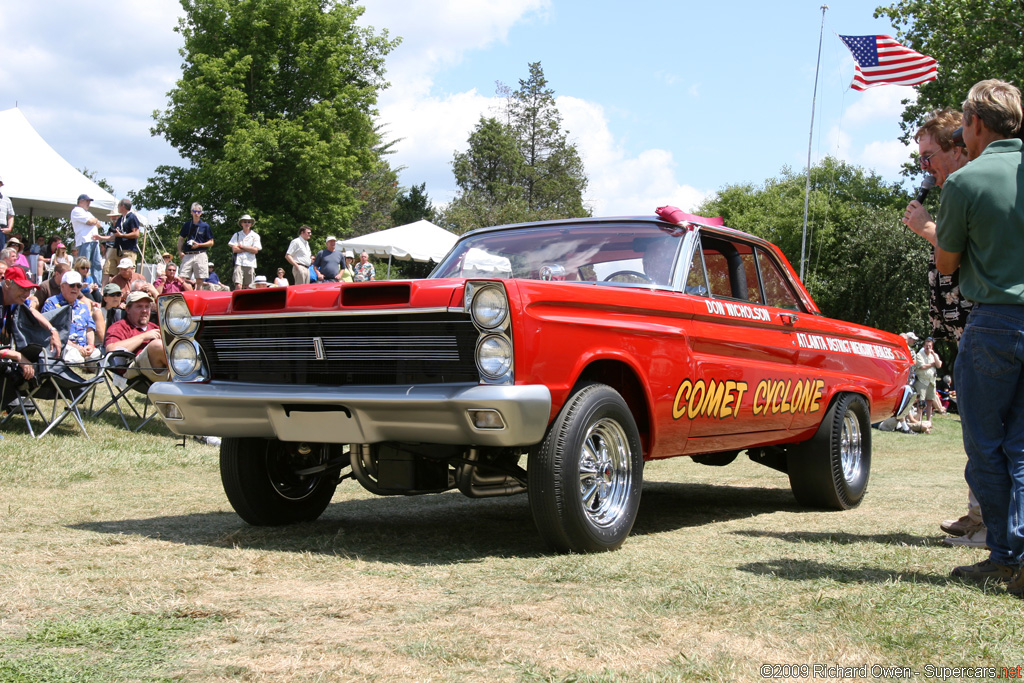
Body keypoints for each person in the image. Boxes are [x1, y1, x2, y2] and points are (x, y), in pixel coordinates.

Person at [931, 79, 1024, 594]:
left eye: (964, 124)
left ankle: (1005, 556)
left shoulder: (966, 182)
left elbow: (947, 263)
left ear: (977, 124)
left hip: (995, 322)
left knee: (986, 446)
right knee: (1022, 447)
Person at [40, 270, 101, 368]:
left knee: (97, 355)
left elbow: (89, 328)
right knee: (75, 358)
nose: (75, 289)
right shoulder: (51, 303)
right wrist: (76, 347)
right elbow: (51, 332)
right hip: (64, 346)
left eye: (78, 286)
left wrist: (91, 345)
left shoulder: (83, 306)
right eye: (72, 285)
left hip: (84, 347)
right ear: (62, 286)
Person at [104, 291, 167, 382]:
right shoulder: (120, 327)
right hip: (134, 370)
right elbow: (111, 350)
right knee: (156, 345)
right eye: (139, 306)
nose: (144, 310)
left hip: (163, 368)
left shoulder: (155, 327)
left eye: (147, 306)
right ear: (128, 309)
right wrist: (143, 337)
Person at [98, 199, 141, 286]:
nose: (118, 208)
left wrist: (122, 235)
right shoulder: (120, 219)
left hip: (128, 249)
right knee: (108, 269)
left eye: (118, 206)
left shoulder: (132, 217)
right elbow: (115, 236)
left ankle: (128, 290)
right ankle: (103, 291)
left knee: (127, 272)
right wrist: (100, 237)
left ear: (123, 206)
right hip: (116, 248)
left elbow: (136, 233)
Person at [177, 202, 214, 286]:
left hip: (200, 254)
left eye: (198, 212)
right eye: (195, 211)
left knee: (199, 279)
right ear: (191, 212)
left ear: (201, 213)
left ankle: (199, 296)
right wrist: (180, 252)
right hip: (188, 254)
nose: (196, 213)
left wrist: (199, 245)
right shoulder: (187, 225)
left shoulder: (205, 226)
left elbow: (211, 242)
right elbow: (180, 239)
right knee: (182, 278)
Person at [70, 194, 103, 286]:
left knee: (96, 265)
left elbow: (99, 224)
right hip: (84, 241)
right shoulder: (76, 210)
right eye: (87, 201)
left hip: (94, 241)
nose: (89, 203)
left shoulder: (87, 213)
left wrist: (94, 221)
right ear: (81, 201)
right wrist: (95, 220)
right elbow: (91, 222)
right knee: (84, 265)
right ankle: (82, 284)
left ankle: (97, 285)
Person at [228, 214, 262, 290]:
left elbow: (256, 250)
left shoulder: (255, 236)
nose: (247, 223)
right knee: (238, 285)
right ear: (241, 223)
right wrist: (250, 248)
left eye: (249, 222)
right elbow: (235, 250)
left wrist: (242, 246)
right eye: (245, 221)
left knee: (249, 286)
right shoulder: (236, 235)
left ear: (251, 224)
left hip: (250, 263)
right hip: (239, 262)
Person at [913, 337, 942, 423]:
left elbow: (939, 365)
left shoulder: (934, 355)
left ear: (932, 346)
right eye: (926, 345)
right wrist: (933, 364)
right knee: (921, 402)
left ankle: (928, 421)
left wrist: (934, 356)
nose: (928, 347)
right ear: (923, 345)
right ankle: (919, 420)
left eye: (929, 346)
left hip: (931, 381)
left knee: (930, 402)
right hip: (922, 381)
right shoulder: (919, 354)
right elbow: (922, 367)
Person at [0, 175, 14, 251]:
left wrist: (9, 228)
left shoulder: (7, 200)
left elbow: (11, 216)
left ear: (1, 185)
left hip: (1, 230)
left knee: (1, 253)